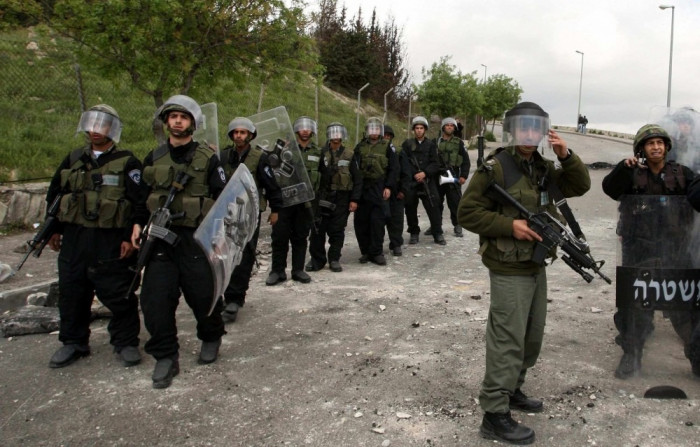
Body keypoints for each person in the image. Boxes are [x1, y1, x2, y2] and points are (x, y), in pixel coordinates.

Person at [458, 102, 591, 445]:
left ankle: (513, 389)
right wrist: (510, 226)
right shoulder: (496, 168)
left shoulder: (542, 168)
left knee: (531, 337)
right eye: (524, 127)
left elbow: (579, 185)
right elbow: (466, 213)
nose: (530, 134)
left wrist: (566, 155)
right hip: (507, 267)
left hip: (535, 264)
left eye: (536, 128)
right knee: (507, 339)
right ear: (513, 130)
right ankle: (494, 413)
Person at [133, 95, 228, 389]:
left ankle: (211, 336)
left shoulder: (208, 158)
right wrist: (136, 225)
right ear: (166, 122)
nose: (177, 121)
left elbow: (222, 199)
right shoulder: (153, 158)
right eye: (173, 116)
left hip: (195, 239)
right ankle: (165, 356)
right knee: (155, 300)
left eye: (183, 117)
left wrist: (219, 238)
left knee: (204, 295)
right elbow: (141, 197)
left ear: (192, 124)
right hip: (160, 239)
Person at [46, 104, 148, 369]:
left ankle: (125, 342)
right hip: (75, 238)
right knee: (72, 291)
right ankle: (73, 342)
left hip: (110, 240)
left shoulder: (127, 162)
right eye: (92, 124)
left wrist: (129, 236)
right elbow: (55, 194)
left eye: (102, 125)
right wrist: (53, 229)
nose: (95, 130)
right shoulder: (74, 159)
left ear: (112, 129)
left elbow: (139, 203)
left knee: (119, 292)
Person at [602, 124, 697, 379]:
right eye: (650, 143)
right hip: (639, 252)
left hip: (676, 253)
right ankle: (631, 356)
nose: (656, 147)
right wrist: (624, 168)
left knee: (687, 311)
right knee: (634, 310)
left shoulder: (682, 174)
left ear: (666, 147)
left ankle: (697, 358)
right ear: (641, 148)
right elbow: (610, 188)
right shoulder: (632, 173)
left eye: (660, 143)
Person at [220, 117, 283, 322]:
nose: (239, 136)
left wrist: (275, 209)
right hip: (226, 212)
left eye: (243, 132)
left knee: (244, 255)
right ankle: (220, 293)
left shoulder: (259, 158)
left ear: (250, 135)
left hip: (249, 213)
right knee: (223, 254)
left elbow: (271, 185)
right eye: (236, 132)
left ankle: (235, 298)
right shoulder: (223, 156)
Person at [266, 116, 319, 285]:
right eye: (302, 127)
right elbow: (272, 165)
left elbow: (322, 177)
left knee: (300, 237)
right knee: (279, 237)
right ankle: (277, 271)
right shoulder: (286, 148)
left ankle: (298, 270)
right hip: (284, 200)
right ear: (296, 130)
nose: (305, 131)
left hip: (304, 202)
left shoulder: (317, 152)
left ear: (312, 131)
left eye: (308, 128)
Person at [305, 123, 361, 272]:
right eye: (333, 133)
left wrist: (354, 199)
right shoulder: (320, 152)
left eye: (338, 134)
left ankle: (334, 259)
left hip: (341, 197)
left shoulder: (349, 154)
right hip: (322, 196)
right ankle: (317, 260)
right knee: (317, 229)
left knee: (337, 229)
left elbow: (357, 178)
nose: (336, 137)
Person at [353, 117, 398, 265]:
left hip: (379, 187)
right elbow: (354, 168)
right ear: (367, 130)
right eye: (371, 129)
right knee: (361, 221)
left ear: (381, 131)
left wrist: (388, 187)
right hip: (363, 188)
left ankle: (377, 252)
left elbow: (394, 168)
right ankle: (365, 252)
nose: (374, 132)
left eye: (376, 129)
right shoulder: (360, 147)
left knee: (377, 222)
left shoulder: (387, 146)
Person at [403, 116, 446, 246]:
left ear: (425, 130)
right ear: (413, 130)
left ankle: (437, 233)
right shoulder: (407, 144)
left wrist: (425, 173)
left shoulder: (431, 145)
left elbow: (436, 163)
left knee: (434, 205)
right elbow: (404, 162)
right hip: (412, 181)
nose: (419, 130)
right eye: (417, 128)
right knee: (410, 207)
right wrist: (414, 174)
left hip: (427, 181)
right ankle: (414, 232)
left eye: (421, 128)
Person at [433, 117, 471, 238]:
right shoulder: (436, 142)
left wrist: (463, 175)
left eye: (451, 125)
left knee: (455, 202)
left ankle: (458, 225)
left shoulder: (459, 143)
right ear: (443, 127)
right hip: (438, 175)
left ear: (454, 128)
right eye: (447, 125)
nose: (449, 127)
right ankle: (436, 225)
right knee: (436, 202)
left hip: (453, 174)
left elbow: (466, 161)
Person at [383, 124, 409, 256]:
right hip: (379, 190)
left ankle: (396, 244)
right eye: (384, 135)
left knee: (396, 219)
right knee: (378, 219)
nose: (386, 138)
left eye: (389, 136)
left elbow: (406, 172)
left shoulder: (398, 151)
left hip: (396, 190)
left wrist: (403, 190)